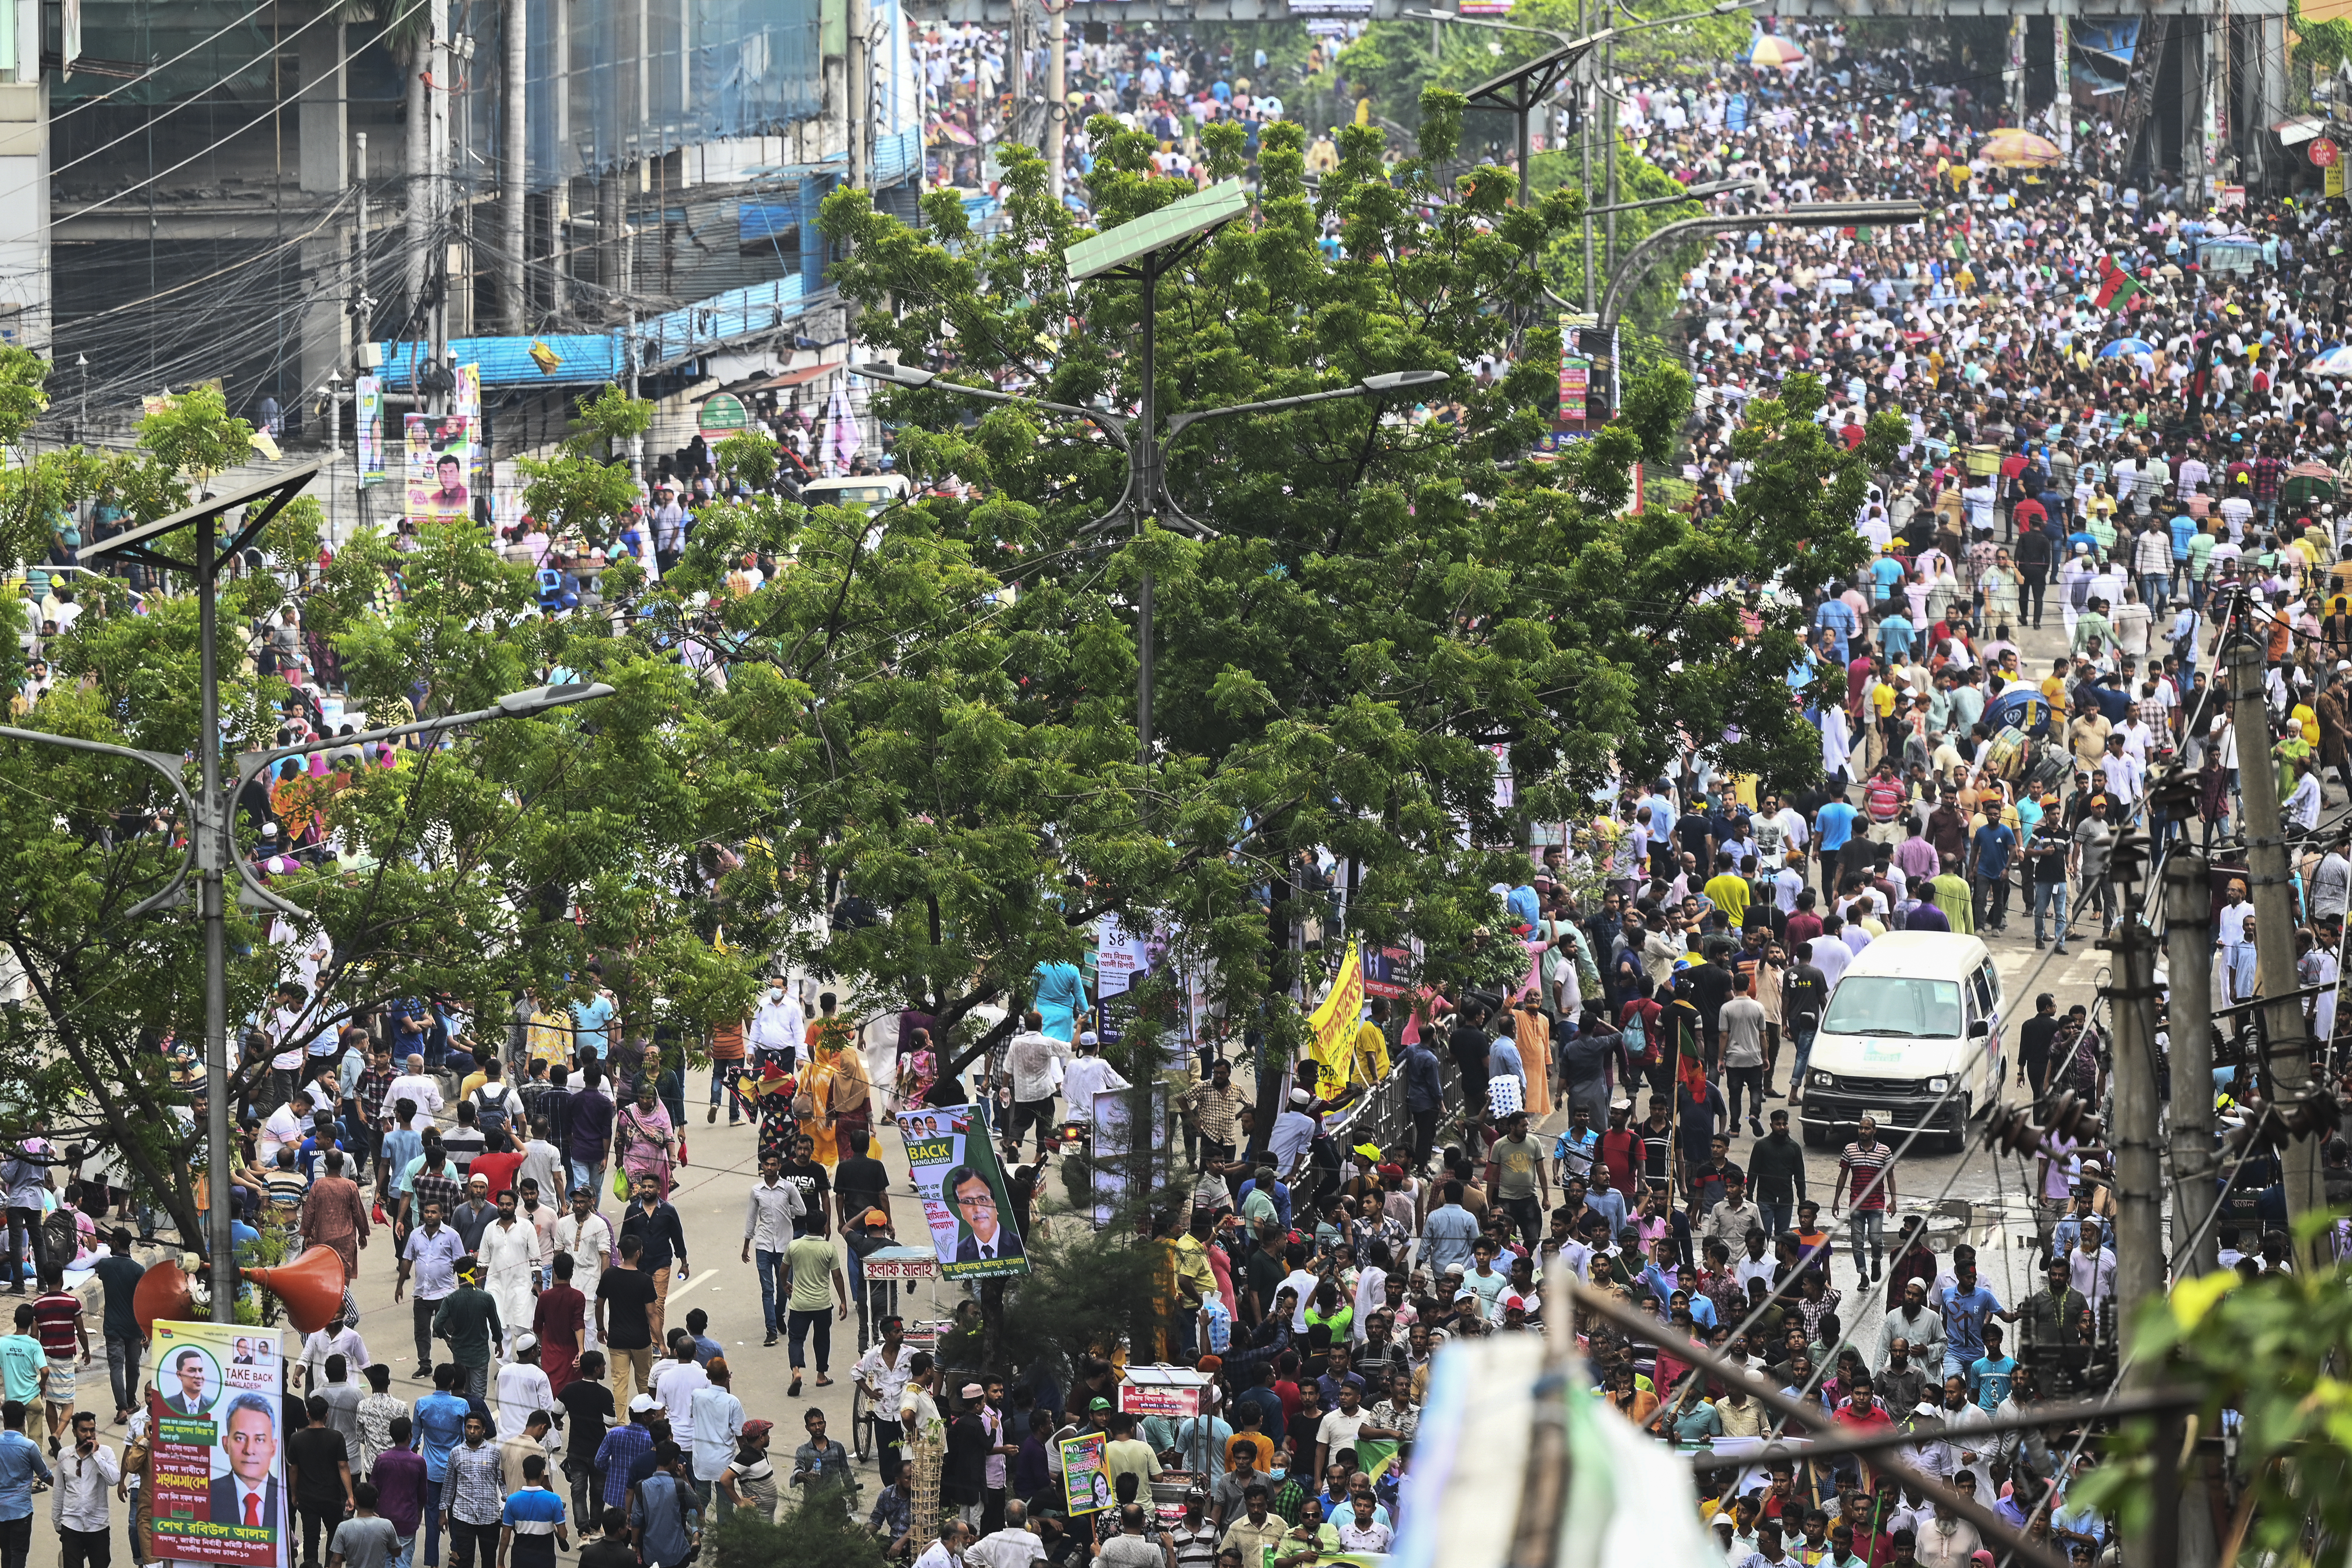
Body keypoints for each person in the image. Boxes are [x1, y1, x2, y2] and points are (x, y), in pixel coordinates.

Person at [784, 1215, 851, 1398]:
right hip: (822, 1304)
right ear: (824, 1228)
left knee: (796, 1339)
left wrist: (785, 1284)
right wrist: (843, 1301)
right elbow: (837, 1276)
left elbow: (784, 1269)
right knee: (822, 1339)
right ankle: (821, 1376)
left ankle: (796, 1371)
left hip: (799, 1305)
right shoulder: (829, 1248)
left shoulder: (794, 1246)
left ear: (807, 1226)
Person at [50, 1409, 116, 1568]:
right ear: (74, 1432)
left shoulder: (106, 1453)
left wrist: (97, 1456)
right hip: (71, 1525)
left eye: (92, 1430)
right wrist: (58, 1522)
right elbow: (59, 1490)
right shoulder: (65, 1455)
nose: (89, 1435)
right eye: (84, 1431)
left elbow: (114, 1480)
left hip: (98, 1525)